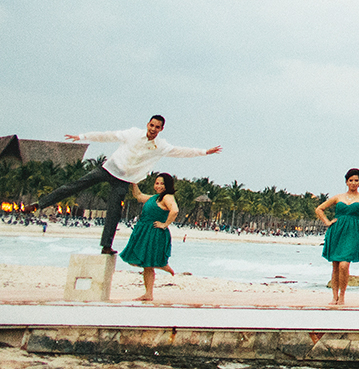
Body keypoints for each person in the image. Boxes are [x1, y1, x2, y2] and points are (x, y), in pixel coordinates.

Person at [23, 116, 221, 254]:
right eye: (151, 125)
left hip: (123, 179)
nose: (153, 129)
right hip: (108, 169)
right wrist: (83, 137)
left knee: (114, 212)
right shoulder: (133, 133)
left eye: (157, 127)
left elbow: (181, 151)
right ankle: (38, 205)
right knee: (74, 185)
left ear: (161, 129)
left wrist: (205, 152)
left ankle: (106, 246)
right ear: (148, 124)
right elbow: (108, 135)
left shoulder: (161, 146)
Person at [315, 168, 359, 305]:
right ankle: (334, 297)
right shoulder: (338, 197)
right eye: (351, 180)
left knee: (344, 265)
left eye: (356, 180)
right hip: (337, 231)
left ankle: (342, 295)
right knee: (335, 265)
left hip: (353, 232)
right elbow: (319, 209)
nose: (353, 183)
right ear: (346, 182)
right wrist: (328, 222)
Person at [118, 172, 178, 302]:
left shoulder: (167, 197)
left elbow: (175, 210)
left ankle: (162, 265)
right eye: (157, 183)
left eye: (162, 183)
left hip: (154, 232)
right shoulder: (155, 197)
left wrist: (165, 224)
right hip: (145, 231)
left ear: (168, 185)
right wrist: (134, 182)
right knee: (146, 265)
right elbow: (139, 196)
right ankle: (148, 293)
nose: (159, 186)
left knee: (148, 263)